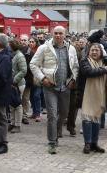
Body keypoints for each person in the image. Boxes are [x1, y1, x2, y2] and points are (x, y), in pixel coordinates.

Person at [29, 26, 79, 155]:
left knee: (64, 113)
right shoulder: (44, 48)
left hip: (65, 86)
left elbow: (75, 66)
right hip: (50, 86)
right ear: (52, 34)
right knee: (52, 114)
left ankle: (56, 132)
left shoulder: (71, 49)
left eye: (60, 33)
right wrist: (42, 78)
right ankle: (52, 142)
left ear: (65, 35)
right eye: (56, 33)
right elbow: (33, 64)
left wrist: (74, 78)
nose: (58, 35)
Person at [78, 43, 107, 154]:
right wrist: (105, 69)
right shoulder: (84, 62)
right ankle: (87, 143)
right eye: (92, 50)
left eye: (97, 50)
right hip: (87, 94)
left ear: (101, 52)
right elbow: (89, 72)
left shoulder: (105, 62)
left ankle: (94, 144)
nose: (94, 52)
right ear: (88, 52)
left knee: (96, 118)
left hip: (100, 94)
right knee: (87, 117)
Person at [65, 37, 86, 137]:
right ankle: (60, 127)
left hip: (76, 83)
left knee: (73, 106)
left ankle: (71, 126)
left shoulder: (81, 55)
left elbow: (79, 69)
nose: (78, 44)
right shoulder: (66, 51)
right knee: (63, 107)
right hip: (65, 81)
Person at [9, 39, 28, 133]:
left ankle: (17, 125)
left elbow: (24, 70)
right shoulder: (13, 54)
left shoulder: (19, 56)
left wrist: (14, 80)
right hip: (12, 83)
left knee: (17, 104)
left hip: (18, 84)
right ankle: (12, 123)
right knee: (12, 104)